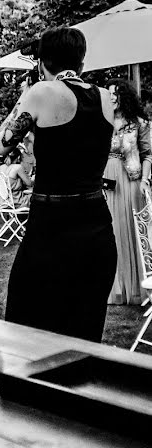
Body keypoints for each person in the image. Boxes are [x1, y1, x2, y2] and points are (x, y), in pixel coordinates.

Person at [0, 27, 115, 342]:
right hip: (96, 226)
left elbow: (1, 144)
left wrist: (26, 95)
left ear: (41, 64)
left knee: (29, 326)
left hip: (52, 227)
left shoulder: (41, 92)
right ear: (82, 62)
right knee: (84, 329)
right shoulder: (105, 97)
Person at [102, 78, 152, 305]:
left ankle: (136, 287)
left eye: (115, 93)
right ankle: (116, 286)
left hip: (131, 181)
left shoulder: (140, 123)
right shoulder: (103, 121)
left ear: (125, 96)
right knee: (111, 231)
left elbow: (148, 154)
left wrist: (145, 180)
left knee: (132, 231)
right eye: (109, 93)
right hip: (107, 182)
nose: (111, 97)